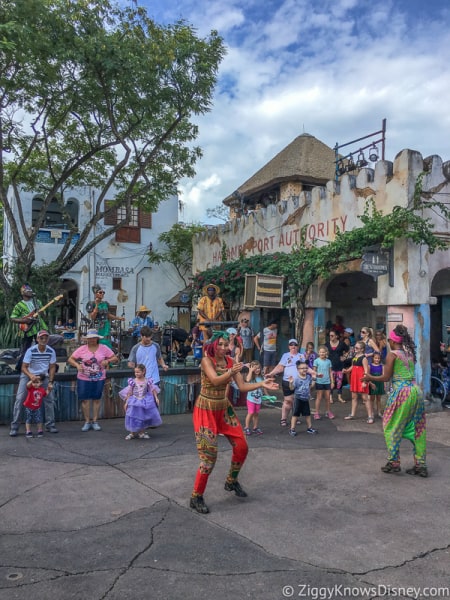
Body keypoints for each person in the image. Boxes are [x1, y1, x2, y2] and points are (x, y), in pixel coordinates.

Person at [190, 330, 279, 514]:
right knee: (208, 458)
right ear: (213, 345)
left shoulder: (231, 362)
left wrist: (261, 384)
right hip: (205, 410)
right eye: (220, 344)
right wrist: (232, 371)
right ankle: (196, 496)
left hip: (223, 409)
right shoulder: (207, 360)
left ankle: (231, 481)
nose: (224, 348)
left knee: (242, 446)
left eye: (226, 344)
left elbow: (243, 386)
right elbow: (215, 380)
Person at [362, 325, 427, 477]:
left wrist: (369, 377)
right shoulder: (409, 352)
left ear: (392, 341)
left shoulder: (392, 355)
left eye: (389, 340)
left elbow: (385, 377)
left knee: (390, 425)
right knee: (418, 428)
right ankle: (421, 465)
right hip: (416, 391)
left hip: (402, 393)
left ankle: (394, 462)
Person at [67, 329, 119, 431]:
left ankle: (95, 420)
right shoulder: (82, 349)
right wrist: (77, 365)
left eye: (94, 338)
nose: (91, 340)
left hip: (99, 377)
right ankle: (87, 421)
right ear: (87, 339)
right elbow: (70, 359)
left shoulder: (103, 348)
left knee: (96, 399)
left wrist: (107, 361)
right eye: (90, 338)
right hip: (83, 377)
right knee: (85, 400)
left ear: (97, 339)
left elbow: (115, 358)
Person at [9, 330, 58, 436]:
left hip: (43, 376)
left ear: (48, 339)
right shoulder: (31, 351)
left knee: (49, 399)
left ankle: (50, 425)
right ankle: (15, 426)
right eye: (41, 338)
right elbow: (23, 367)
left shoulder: (51, 351)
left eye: (46, 338)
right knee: (20, 398)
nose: (44, 340)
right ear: (37, 339)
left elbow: (52, 366)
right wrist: (31, 376)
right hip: (28, 375)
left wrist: (50, 381)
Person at [10, 284, 50, 372]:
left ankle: (44, 368)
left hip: (40, 328)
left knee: (43, 348)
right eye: (28, 291)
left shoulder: (37, 302)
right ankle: (20, 368)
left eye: (31, 290)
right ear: (23, 293)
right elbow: (13, 318)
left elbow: (44, 316)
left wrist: (42, 312)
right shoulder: (19, 305)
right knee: (25, 349)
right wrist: (25, 320)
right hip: (28, 330)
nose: (30, 292)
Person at [266, 338, 304, 427]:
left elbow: (306, 368)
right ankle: (283, 418)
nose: (293, 346)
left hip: (299, 382)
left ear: (298, 346)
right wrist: (271, 373)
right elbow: (280, 367)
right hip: (287, 381)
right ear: (288, 346)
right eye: (291, 345)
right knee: (288, 400)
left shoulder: (301, 356)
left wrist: (314, 374)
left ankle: (295, 417)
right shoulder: (285, 355)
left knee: (296, 401)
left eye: (295, 345)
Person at [119, 364, 162, 440]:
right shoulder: (133, 381)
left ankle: (141, 433)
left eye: (138, 372)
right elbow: (130, 392)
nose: (136, 374)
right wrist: (126, 402)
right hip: (134, 401)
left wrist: (156, 398)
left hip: (144, 400)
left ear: (143, 372)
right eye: (135, 372)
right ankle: (132, 433)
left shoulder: (147, 381)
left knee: (143, 417)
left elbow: (153, 389)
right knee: (133, 416)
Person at [343, 341, 372, 422]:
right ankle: (352, 414)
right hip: (354, 379)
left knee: (365, 398)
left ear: (362, 349)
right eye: (355, 347)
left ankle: (370, 416)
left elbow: (366, 370)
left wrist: (364, 382)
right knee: (354, 397)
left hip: (361, 379)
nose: (355, 349)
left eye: (357, 348)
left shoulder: (364, 358)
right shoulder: (355, 356)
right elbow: (353, 366)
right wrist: (347, 371)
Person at [288, 361, 318, 436]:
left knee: (307, 414)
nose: (304, 369)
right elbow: (292, 388)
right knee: (295, 414)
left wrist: (314, 379)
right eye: (302, 368)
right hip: (298, 398)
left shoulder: (308, 377)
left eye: (306, 368)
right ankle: (292, 429)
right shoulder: (296, 378)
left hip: (305, 398)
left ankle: (309, 428)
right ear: (298, 369)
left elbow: (311, 386)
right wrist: (291, 382)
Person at [325, 330, 347, 404]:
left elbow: (348, 350)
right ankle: (330, 397)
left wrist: (345, 357)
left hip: (340, 365)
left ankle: (339, 396)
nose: (330, 337)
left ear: (336, 336)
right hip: (330, 366)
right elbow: (323, 352)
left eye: (332, 335)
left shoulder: (341, 343)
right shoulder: (327, 344)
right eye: (330, 335)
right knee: (331, 381)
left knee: (339, 382)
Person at [313, 345, 334, 420]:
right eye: (320, 352)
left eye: (323, 352)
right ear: (318, 353)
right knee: (319, 397)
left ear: (326, 353)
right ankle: (316, 413)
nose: (322, 353)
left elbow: (330, 372)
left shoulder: (329, 361)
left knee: (328, 397)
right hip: (319, 382)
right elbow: (314, 371)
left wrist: (332, 382)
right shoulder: (316, 361)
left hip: (327, 382)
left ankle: (328, 411)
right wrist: (314, 379)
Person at [243, 360, 265, 436]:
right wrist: (250, 371)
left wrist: (267, 395)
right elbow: (247, 380)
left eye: (258, 368)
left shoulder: (261, 377)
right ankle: (246, 427)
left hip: (258, 399)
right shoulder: (251, 377)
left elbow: (264, 386)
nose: (257, 370)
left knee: (256, 414)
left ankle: (255, 427)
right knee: (251, 413)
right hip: (250, 399)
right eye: (255, 368)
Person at [369, 351, 385, 418]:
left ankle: (379, 412)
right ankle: (371, 412)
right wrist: (370, 383)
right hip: (373, 383)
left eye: (378, 358)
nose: (377, 360)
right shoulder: (370, 366)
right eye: (375, 358)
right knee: (372, 399)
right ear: (373, 358)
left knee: (379, 399)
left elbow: (383, 376)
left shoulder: (382, 366)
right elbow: (368, 375)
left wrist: (384, 385)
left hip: (380, 383)